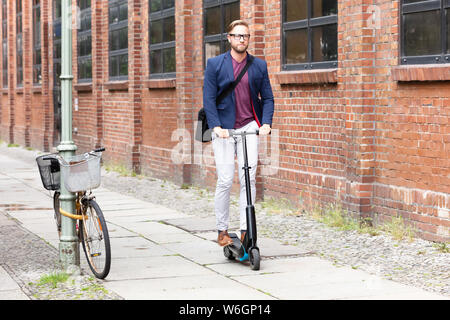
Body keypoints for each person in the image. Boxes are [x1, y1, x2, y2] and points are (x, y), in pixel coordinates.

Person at [203, 20, 274, 247]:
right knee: (225, 180)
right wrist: (215, 126)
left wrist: (265, 123)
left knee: (248, 179)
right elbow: (209, 99)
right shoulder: (215, 64)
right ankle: (222, 230)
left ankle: (245, 230)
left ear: (249, 39)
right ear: (229, 38)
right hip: (223, 128)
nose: (242, 39)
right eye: (237, 35)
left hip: (248, 126)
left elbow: (268, 98)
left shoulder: (259, 66)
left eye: (245, 36)